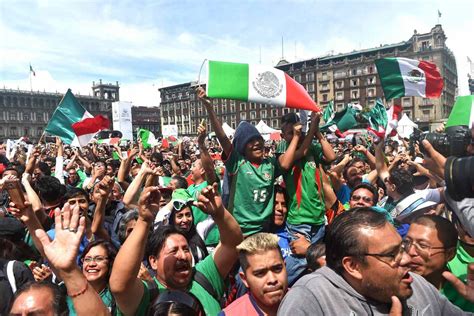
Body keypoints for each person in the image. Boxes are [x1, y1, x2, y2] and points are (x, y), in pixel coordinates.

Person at [278, 208, 468, 315]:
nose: (407, 259)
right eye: (391, 255)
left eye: (401, 247)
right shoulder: (311, 300)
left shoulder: (416, 285)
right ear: (353, 266)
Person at [110, 184, 243, 315]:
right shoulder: (146, 295)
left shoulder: (204, 276)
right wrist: (144, 220)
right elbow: (119, 285)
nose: (183, 256)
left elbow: (232, 244)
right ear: (153, 261)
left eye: (185, 249)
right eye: (173, 251)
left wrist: (219, 213)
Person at [220, 233, 288, 316]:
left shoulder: (305, 302)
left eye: (277, 269)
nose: (272, 279)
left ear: (285, 266)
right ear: (245, 279)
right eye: (260, 273)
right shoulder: (230, 314)